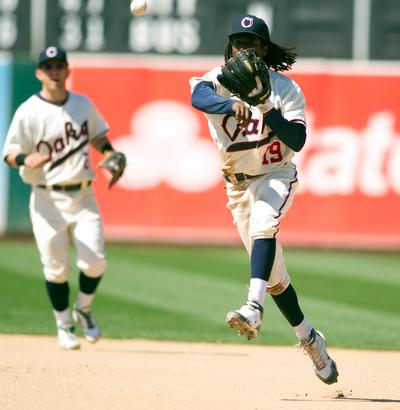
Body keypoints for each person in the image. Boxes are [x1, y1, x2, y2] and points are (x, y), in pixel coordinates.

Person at [190, 15, 338, 384]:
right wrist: (229, 105)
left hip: (276, 175)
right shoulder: (218, 81)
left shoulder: (285, 88)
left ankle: (253, 308)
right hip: (237, 186)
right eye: (238, 42)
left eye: (252, 43)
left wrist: (267, 106)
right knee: (275, 277)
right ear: (230, 47)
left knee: (264, 224)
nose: (244, 49)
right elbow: (198, 95)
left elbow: (298, 141)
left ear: (264, 50)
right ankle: (310, 339)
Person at [2, 46, 125, 350]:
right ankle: (63, 324)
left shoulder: (83, 104)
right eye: (48, 67)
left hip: (83, 194)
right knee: (56, 269)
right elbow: (9, 153)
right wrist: (24, 160)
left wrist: (109, 153)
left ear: (68, 70)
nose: (54, 72)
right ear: (39, 73)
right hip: (47, 199)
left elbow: (97, 135)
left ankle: (83, 308)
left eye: (59, 66)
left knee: (95, 262)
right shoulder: (29, 110)